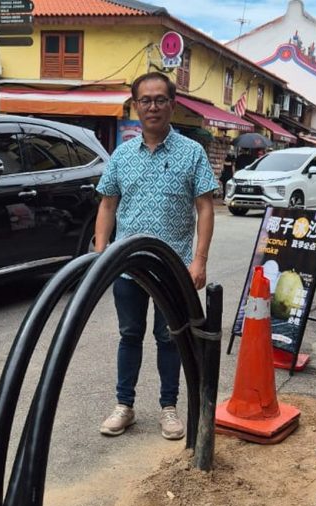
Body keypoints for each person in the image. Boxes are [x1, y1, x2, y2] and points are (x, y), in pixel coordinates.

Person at [93, 72, 218, 440]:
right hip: (128, 268)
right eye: (145, 100)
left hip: (172, 268)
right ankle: (124, 406)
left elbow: (205, 207)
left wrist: (199, 260)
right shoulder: (121, 155)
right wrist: (102, 253)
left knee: (170, 338)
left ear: (172, 105)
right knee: (129, 334)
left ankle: (169, 407)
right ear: (135, 106)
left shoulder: (192, 153)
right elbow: (108, 204)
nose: (152, 106)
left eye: (160, 100)